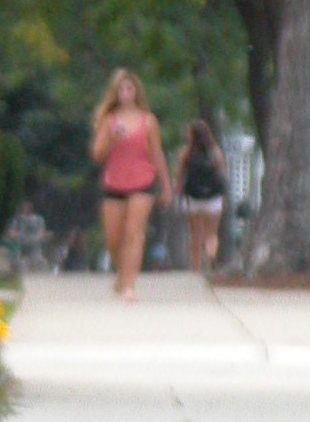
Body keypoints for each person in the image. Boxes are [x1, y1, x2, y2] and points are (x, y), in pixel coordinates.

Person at [89, 69, 172, 299]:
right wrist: (110, 139)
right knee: (113, 238)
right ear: (114, 93)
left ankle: (129, 285)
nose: (125, 93)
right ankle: (121, 272)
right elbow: (97, 154)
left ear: (136, 91)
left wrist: (165, 185)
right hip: (114, 182)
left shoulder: (148, 121)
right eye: (120, 89)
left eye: (129, 88)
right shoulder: (108, 120)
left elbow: (157, 154)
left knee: (134, 234)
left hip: (142, 182)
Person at [176, 120, 227, 273]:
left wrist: (178, 190)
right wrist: (223, 195)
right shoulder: (215, 152)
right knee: (211, 234)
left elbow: (179, 175)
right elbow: (221, 175)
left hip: (193, 198)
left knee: (194, 235)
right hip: (213, 198)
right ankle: (210, 256)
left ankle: (196, 268)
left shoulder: (186, 152)